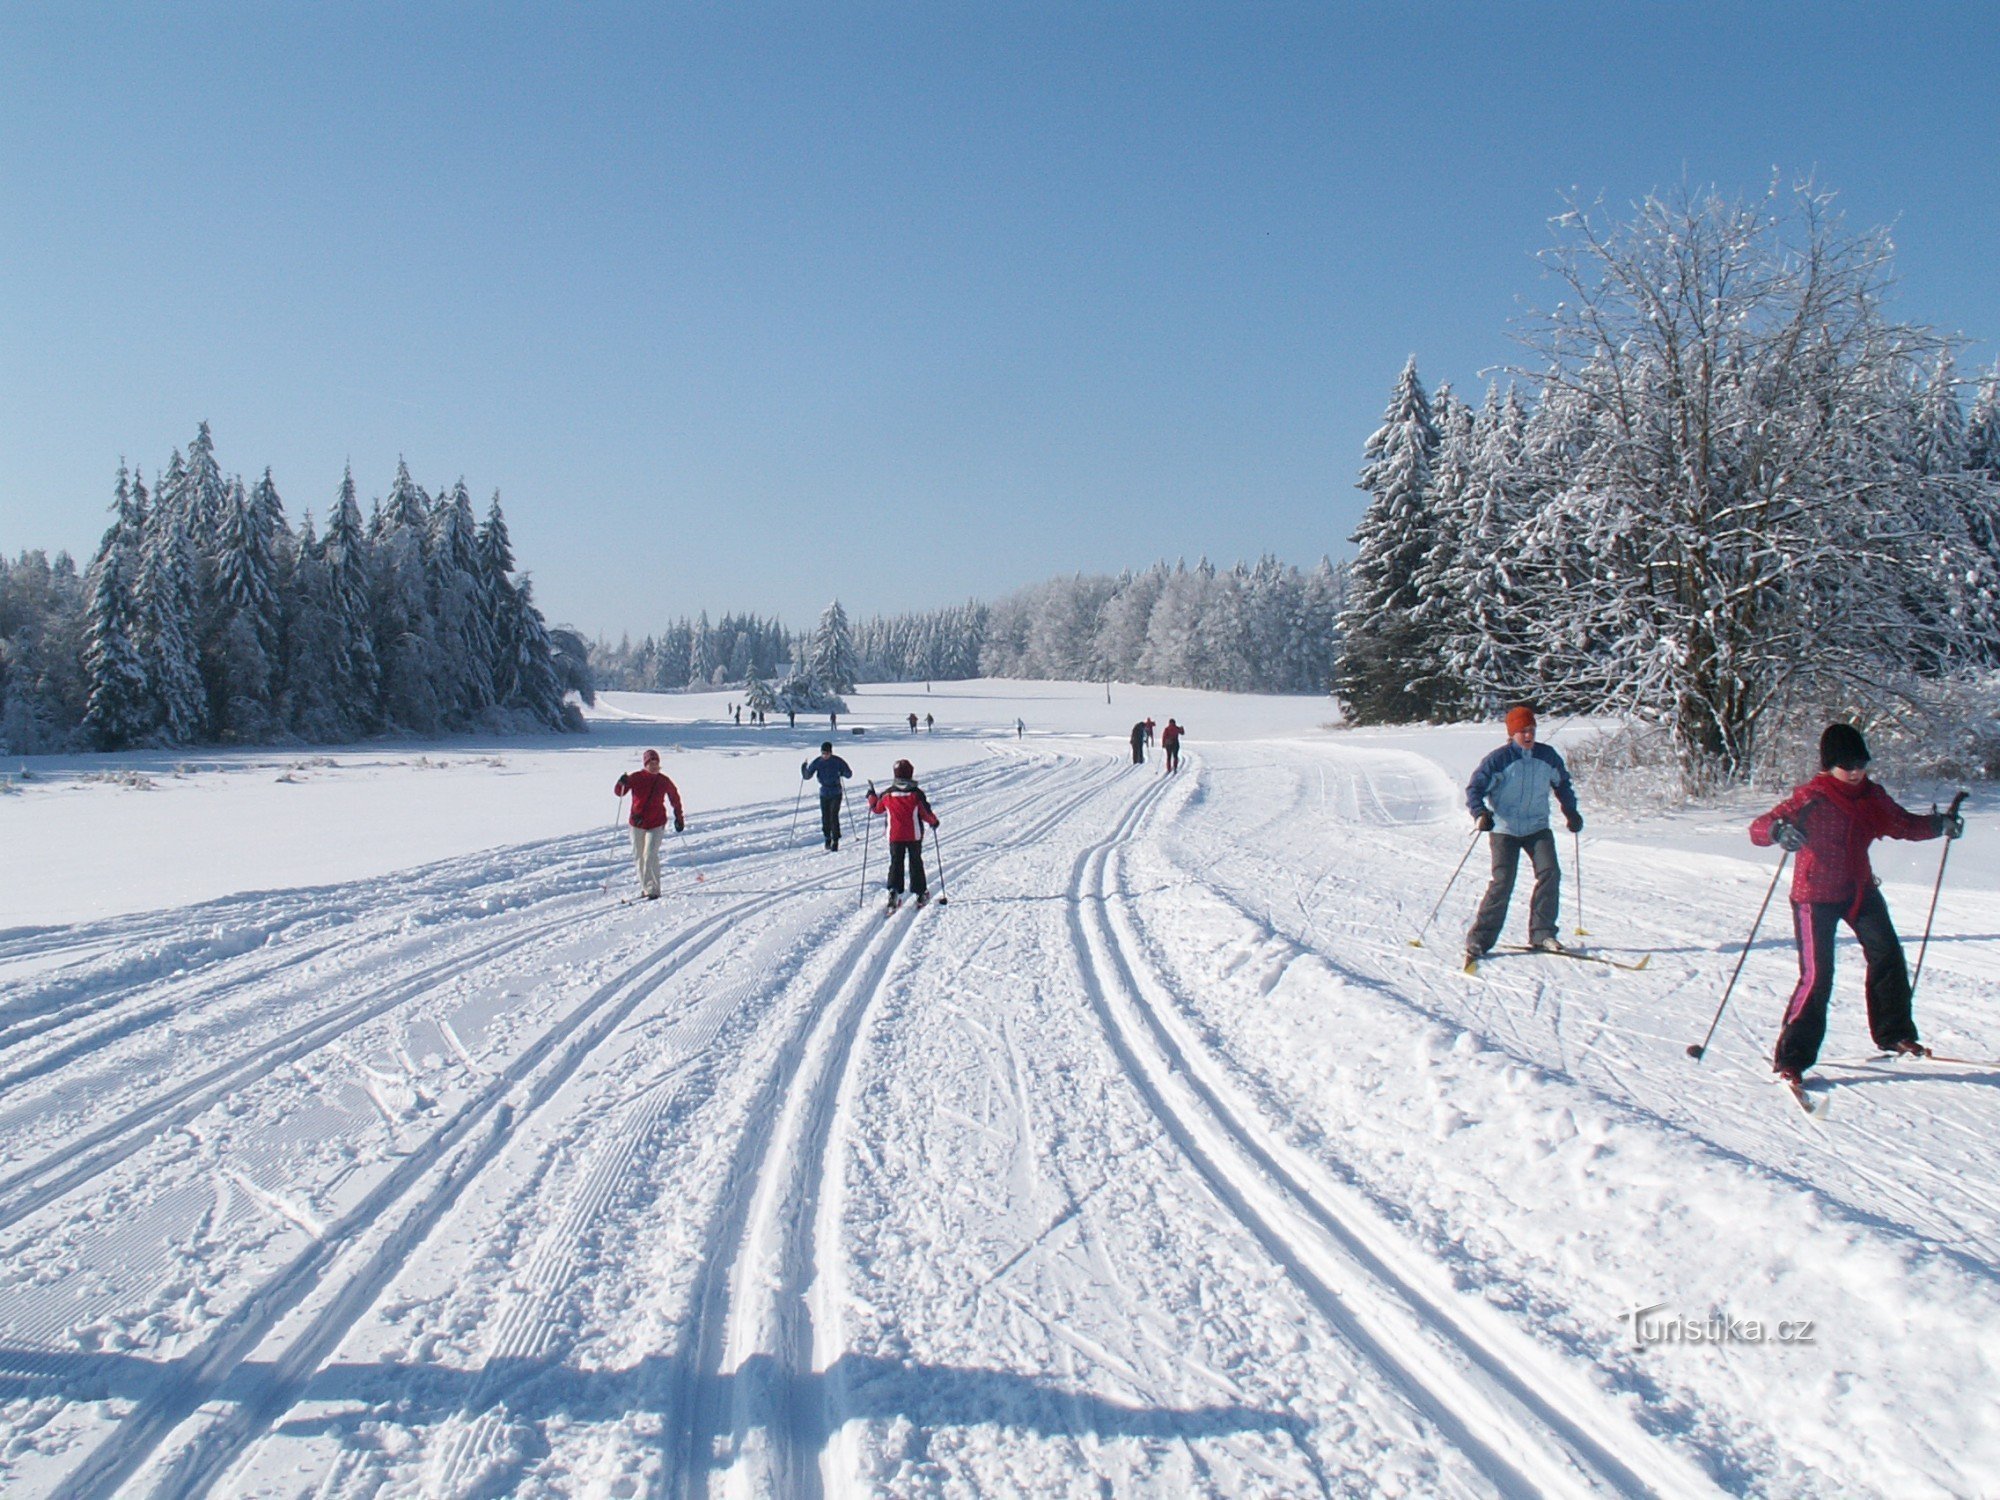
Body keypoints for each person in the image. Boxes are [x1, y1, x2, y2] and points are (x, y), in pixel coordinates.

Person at [1750, 723, 1960, 1085]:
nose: (1854, 771)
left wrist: (1939, 825)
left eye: (1860, 762)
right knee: (1818, 976)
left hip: (1859, 890)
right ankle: (1792, 1059)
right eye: (1846, 764)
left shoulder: (1871, 796)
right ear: (1829, 765)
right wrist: (1778, 832)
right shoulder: (1811, 797)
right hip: (1814, 897)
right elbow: (1759, 827)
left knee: (1888, 955)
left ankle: (1894, 1033)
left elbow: (1904, 824)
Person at [1464, 705, 1581, 963]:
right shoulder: (1499, 760)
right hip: (1505, 829)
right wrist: (1481, 813)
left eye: (1531, 730)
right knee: (1503, 881)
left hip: (1537, 827)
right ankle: (1479, 939)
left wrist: (1571, 812)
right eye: (1522, 732)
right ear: (1512, 733)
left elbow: (1562, 784)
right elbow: (1474, 789)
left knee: (1550, 873)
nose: (1528, 736)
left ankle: (1542, 933)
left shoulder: (1547, 756)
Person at [867, 758, 940, 910]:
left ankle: (894, 891)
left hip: (894, 835)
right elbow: (925, 812)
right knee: (915, 862)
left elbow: (876, 809)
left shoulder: (888, 794)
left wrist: (871, 796)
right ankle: (920, 894)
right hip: (914, 835)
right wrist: (933, 822)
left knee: (896, 862)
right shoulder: (916, 794)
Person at [613, 749, 685, 900]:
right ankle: (646, 888)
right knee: (639, 856)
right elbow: (619, 792)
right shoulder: (636, 777)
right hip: (637, 823)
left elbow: (675, 797)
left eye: (656, 763)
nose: (654, 766)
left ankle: (653, 889)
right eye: (650, 763)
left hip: (656, 823)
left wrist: (679, 817)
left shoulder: (663, 780)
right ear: (645, 764)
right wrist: (621, 782)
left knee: (650, 855)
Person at [802, 741, 854, 851]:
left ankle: (835, 840)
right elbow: (807, 776)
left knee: (833, 816)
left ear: (831, 752)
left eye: (827, 753)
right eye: (823, 753)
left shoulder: (837, 761)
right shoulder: (818, 762)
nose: (825, 755)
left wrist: (842, 772)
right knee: (825, 817)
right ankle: (827, 838)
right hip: (824, 792)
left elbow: (849, 774)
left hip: (836, 792)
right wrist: (803, 768)